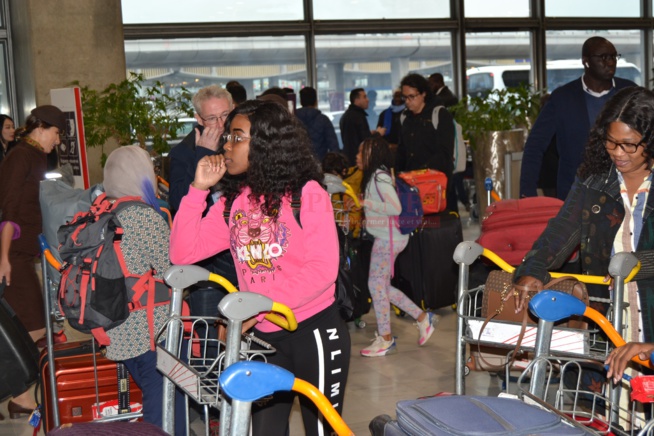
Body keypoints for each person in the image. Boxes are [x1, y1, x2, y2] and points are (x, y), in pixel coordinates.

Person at [170, 99, 350, 436]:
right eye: (228, 137)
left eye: (237, 137)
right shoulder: (231, 203)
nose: (226, 145)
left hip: (313, 333)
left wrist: (258, 305)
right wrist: (197, 190)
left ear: (266, 143)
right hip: (263, 340)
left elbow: (321, 271)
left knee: (322, 432)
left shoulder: (307, 194)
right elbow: (183, 253)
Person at [510, 86, 654, 392]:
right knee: (606, 411)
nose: (617, 153)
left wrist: (636, 265)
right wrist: (533, 269)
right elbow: (562, 228)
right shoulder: (594, 180)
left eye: (629, 145)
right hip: (605, 321)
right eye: (611, 142)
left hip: (649, 320)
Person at [91, 145, 186, 434]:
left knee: (154, 394)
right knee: (166, 406)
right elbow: (171, 270)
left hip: (115, 326)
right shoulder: (145, 217)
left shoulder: (101, 212)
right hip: (151, 330)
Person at [0, 105, 64, 418]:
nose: (58, 141)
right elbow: (8, 208)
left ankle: (21, 397)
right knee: (33, 326)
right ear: (42, 127)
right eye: (56, 133)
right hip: (10, 254)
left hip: (23, 253)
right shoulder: (21, 156)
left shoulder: (36, 156)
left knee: (29, 326)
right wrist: (3, 258)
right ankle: (20, 397)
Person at [520, 36, 637, 200]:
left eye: (613, 56)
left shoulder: (630, 92)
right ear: (586, 61)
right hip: (576, 195)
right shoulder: (563, 98)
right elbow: (535, 145)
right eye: (603, 57)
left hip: (625, 192)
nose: (610, 62)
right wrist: (528, 194)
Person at [356, 136, 438, 357]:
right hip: (390, 237)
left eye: (360, 152)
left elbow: (394, 207)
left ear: (370, 155)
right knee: (381, 287)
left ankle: (385, 339)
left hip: (388, 239)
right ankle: (422, 318)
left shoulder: (378, 177)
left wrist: (366, 203)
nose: (356, 157)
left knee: (375, 285)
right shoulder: (379, 174)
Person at [396, 73, 457, 212]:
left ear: (423, 94)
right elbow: (402, 152)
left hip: (436, 186)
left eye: (412, 96)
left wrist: (422, 173)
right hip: (410, 185)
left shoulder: (439, 114)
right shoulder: (404, 118)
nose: (407, 101)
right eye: (405, 97)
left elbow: (444, 153)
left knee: (438, 228)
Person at [168, 85, 233, 214]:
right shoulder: (184, 151)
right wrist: (203, 154)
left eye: (225, 115)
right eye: (212, 118)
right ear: (199, 119)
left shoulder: (241, 140)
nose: (221, 124)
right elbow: (177, 202)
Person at [340, 88, 384, 166]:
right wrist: (378, 134)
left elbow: (354, 137)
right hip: (358, 161)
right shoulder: (358, 117)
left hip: (348, 159)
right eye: (364, 97)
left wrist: (368, 133)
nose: (367, 100)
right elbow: (365, 142)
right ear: (356, 100)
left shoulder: (346, 115)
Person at [296, 86, 339, 161]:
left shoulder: (293, 119)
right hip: (319, 163)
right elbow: (333, 146)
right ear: (316, 101)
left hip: (298, 165)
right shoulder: (323, 120)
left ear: (301, 101)